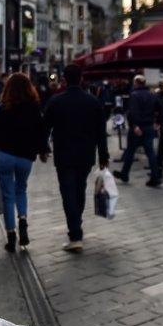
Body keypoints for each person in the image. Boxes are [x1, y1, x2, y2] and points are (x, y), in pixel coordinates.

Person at [43, 64, 110, 252]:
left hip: (64, 155)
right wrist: (104, 155)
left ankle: (75, 233)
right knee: (79, 189)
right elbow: (101, 132)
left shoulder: (56, 101)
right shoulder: (93, 102)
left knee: (68, 193)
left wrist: (43, 147)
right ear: (81, 78)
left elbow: (45, 127)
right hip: (86, 154)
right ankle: (76, 225)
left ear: (64, 79)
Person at [0, 72, 48, 253]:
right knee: (21, 190)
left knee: (7, 196)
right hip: (25, 158)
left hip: (5, 156)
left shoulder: (3, 108)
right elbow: (41, 132)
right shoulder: (34, 108)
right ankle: (23, 221)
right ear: (29, 88)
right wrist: (43, 151)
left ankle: (11, 236)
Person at [116, 74, 163, 187]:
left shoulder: (134, 95)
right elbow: (162, 109)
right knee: (150, 152)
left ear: (136, 83)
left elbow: (133, 112)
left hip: (138, 128)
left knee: (130, 151)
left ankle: (124, 174)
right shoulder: (152, 95)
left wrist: (135, 126)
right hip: (149, 127)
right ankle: (155, 177)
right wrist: (158, 123)